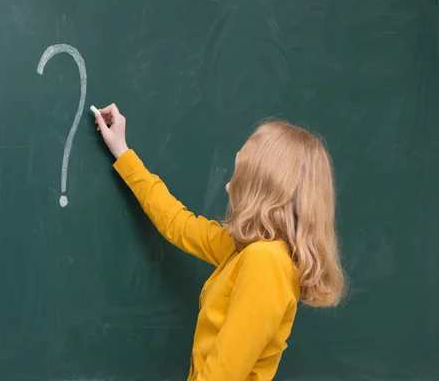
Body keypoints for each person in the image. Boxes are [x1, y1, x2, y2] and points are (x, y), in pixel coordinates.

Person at [93, 103, 346, 380]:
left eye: (246, 157)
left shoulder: (266, 261)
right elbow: (179, 223)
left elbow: (222, 374)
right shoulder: (248, 249)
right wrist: (122, 151)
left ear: (261, 180)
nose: (237, 158)